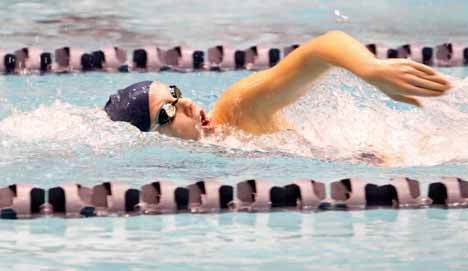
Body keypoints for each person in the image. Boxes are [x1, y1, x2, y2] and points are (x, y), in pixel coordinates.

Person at [104, 31, 451, 140]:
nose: (189, 105)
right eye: (168, 111)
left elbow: (323, 46)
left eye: (176, 95)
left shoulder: (237, 109)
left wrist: (371, 69)